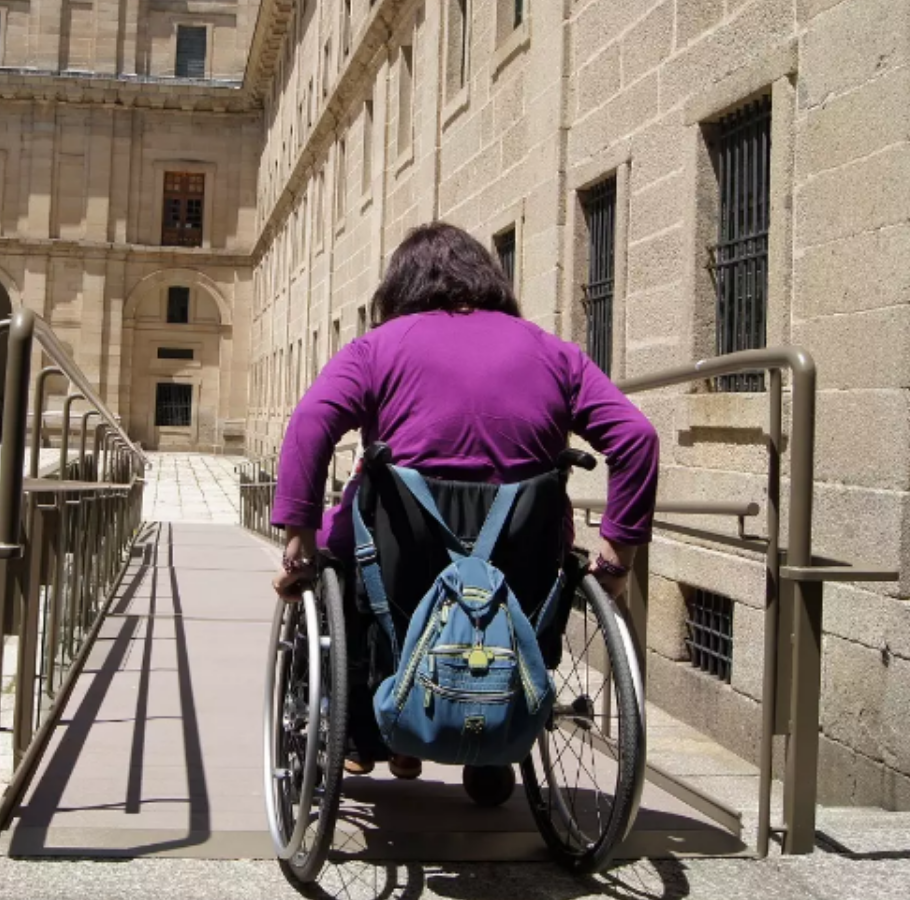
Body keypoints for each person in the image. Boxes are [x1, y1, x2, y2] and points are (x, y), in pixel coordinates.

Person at [268, 222, 659, 780]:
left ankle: (361, 729)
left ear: (400, 287)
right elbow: (637, 437)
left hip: (397, 559)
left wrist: (298, 541)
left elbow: (310, 423)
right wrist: (617, 559)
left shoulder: (377, 348)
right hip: (523, 557)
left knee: (336, 560)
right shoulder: (556, 354)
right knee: (530, 575)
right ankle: (496, 732)